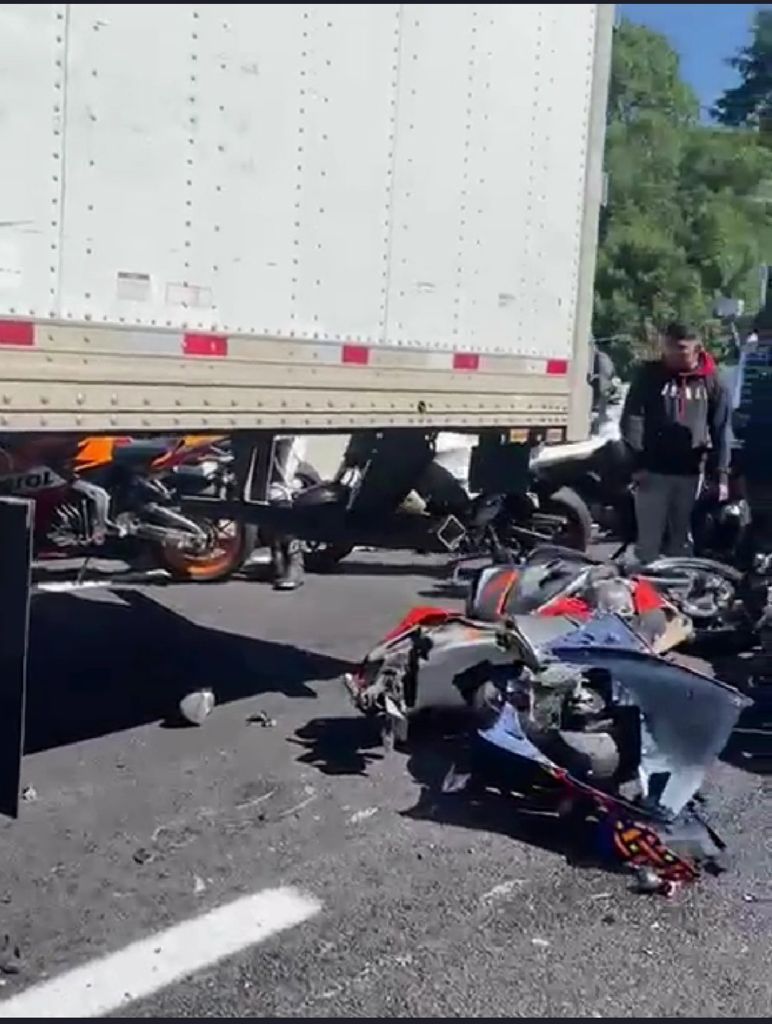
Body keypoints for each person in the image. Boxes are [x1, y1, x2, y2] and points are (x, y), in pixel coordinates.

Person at [620, 322, 731, 565]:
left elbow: (721, 430)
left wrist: (721, 475)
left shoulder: (712, 381)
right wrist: (636, 462)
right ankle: (643, 583)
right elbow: (632, 418)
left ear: (696, 349)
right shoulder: (649, 375)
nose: (671, 354)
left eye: (680, 349)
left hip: (691, 474)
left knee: (682, 542)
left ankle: (679, 584)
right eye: (668, 347)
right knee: (648, 543)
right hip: (652, 472)